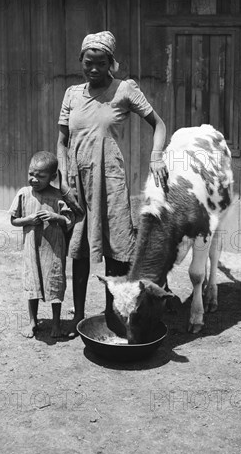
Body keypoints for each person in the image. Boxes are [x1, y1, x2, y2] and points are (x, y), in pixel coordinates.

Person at [57, 30, 168, 337]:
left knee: (117, 249)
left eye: (100, 63)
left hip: (110, 182)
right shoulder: (71, 94)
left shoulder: (125, 89)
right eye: (88, 62)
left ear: (111, 63)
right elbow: (62, 141)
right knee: (78, 249)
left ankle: (114, 314)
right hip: (77, 184)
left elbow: (159, 125)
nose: (94, 69)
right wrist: (64, 179)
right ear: (81, 61)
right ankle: (79, 316)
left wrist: (156, 156)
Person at [9, 151, 74, 338]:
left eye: (40, 176)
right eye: (31, 174)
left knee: (55, 282)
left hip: (53, 249)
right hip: (31, 248)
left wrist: (56, 217)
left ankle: (56, 324)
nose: (34, 179)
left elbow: (69, 221)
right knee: (32, 283)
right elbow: (14, 220)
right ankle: (32, 322)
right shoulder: (23, 194)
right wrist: (28, 219)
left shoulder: (58, 196)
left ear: (53, 177)